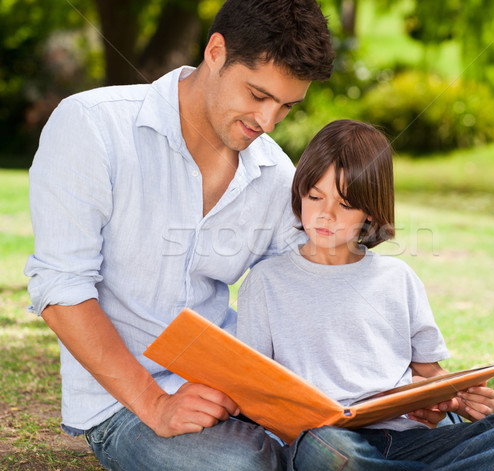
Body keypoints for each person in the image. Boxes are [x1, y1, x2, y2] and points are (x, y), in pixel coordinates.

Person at [24, 1, 334, 469]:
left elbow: (301, 294)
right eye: (257, 94)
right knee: (242, 465)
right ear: (215, 52)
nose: (267, 122)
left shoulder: (273, 172)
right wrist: (156, 405)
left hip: (234, 391)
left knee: (372, 437)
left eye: (286, 107)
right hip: (126, 406)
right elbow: (61, 289)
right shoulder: (94, 126)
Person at [236, 119, 494, 470]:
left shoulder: (397, 278)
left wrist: (458, 400)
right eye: (314, 196)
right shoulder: (266, 281)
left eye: (344, 204)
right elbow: (255, 392)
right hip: (333, 441)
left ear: (370, 213)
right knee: (322, 448)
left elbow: (430, 374)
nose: (324, 214)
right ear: (299, 192)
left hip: (408, 438)